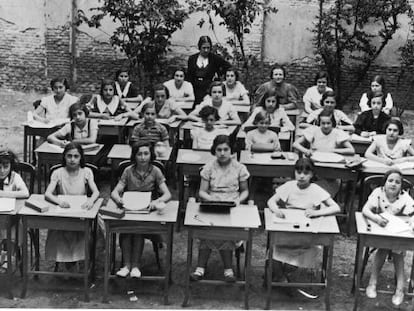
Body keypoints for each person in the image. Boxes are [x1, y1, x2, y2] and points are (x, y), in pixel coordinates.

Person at [267, 158, 340, 282]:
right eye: (298, 172)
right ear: (294, 172)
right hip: (289, 227)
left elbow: (336, 207)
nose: (301, 176)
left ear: (312, 174)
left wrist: (316, 212)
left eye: (306, 173)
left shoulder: (315, 189)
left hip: (307, 231)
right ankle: (280, 277)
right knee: (274, 249)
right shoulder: (289, 186)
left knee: (303, 253)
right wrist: (276, 209)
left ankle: (287, 275)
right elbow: (271, 201)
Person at [190, 135, 249, 282]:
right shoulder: (209, 167)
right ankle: (200, 269)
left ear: (232, 151)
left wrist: (237, 201)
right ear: (214, 151)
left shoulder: (239, 168)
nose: (222, 153)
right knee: (207, 230)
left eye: (226, 149)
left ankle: (228, 270)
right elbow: (202, 191)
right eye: (219, 150)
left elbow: (245, 191)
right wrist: (211, 199)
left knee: (226, 230)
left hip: (232, 205)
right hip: (213, 204)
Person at [111, 142, 171, 278]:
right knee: (126, 231)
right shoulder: (128, 171)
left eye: (146, 154)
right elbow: (115, 192)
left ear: (151, 155)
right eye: (139, 154)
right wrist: (117, 199)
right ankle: (126, 265)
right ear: (134, 156)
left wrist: (156, 202)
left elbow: (167, 194)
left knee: (138, 231)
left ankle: (136, 266)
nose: (143, 157)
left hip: (147, 210)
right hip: (130, 207)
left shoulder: (155, 170)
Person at [362, 169, 414, 306]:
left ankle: (400, 289)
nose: (393, 184)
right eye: (390, 181)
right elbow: (365, 210)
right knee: (383, 248)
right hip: (381, 230)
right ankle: (372, 282)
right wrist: (376, 219)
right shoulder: (378, 193)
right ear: (384, 183)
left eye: (397, 182)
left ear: (401, 186)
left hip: (398, 233)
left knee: (398, 251)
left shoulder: (405, 198)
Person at [44, 143, 99, 270]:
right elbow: (48, 193)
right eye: (69, 156)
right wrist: (59, 202)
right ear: (64, 157)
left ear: (81, 158)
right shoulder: (58, 173)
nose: (72, 159)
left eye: (76, 156)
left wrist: (90, 201)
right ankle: (67, 261)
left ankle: (78, 260)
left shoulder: (86, 172)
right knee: (62, 229)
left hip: (80, 210)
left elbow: (96, 192)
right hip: (65, 209)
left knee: (87, 229)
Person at [187, 36, 231, 105]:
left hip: (208, 88)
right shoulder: (192, 58)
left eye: (208, 48)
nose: (206, 50)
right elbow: (189, 75)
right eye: (204, 48)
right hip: (194, 88)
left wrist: (219, 76)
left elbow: (227, 67)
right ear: (199, 47)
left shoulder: (214, 58)